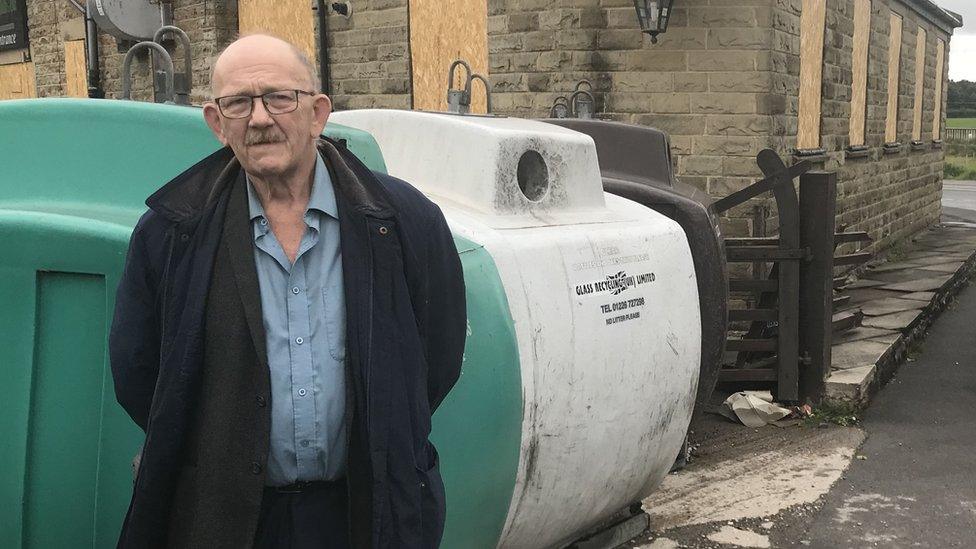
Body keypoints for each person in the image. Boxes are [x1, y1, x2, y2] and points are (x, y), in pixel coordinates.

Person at [109, 34, 466, 548]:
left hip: (366, 512)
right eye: (238, 103)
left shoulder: (403, 221)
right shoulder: (171, 233)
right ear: (216, 123)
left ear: (318, 112)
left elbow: (435, 359)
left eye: (280, 97)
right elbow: (140, 376)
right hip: (227, 521)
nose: (259, 118)